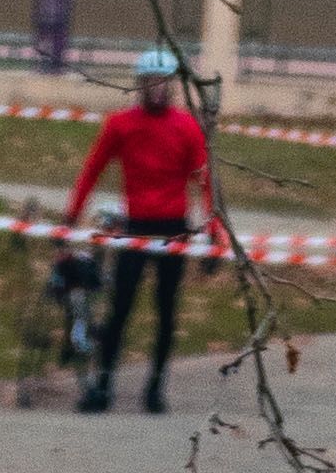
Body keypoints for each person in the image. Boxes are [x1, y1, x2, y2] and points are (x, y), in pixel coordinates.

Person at [56, 43, 220, 414]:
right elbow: (91, 171)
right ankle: (103, 386)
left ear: (173, 86)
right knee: (120, 308)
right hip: (135, 227)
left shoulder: (187, 127)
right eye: (150, 81)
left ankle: (156, 388)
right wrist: (70, 219)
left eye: (164, 82)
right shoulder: (121, 125)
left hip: (174, 229)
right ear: (139, 84)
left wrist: (215, 234)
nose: (157, 89)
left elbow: (206, 182)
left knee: (166, 310)